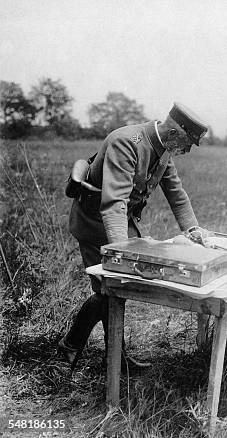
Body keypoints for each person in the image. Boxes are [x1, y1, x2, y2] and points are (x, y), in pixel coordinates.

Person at [58, 102, 213, 371]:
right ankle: (69, 350)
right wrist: (121, 252)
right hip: (96, 220)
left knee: (117, 289)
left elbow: (177, 194)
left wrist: (193, 230)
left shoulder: (164, 148)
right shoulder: (126, 141)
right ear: (175, 133)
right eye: (188, 144)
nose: (187, 151)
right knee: (109, 288)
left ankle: (113, 357)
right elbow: (114, 202)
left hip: (120, 220)